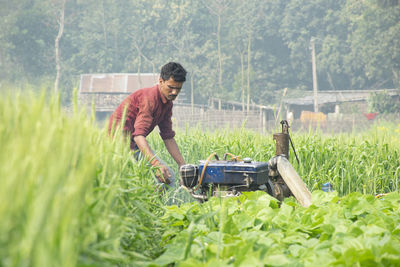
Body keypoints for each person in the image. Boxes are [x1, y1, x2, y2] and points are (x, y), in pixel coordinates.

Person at [108, 62, 186, 188]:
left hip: (133, 144)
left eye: (178, 89)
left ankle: (159, 207)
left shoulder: (167, 103)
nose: (174, 92)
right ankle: (154, 207)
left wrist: (182, 164)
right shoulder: (150, 99)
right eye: (171, 87)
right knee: (157, 181)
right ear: (161, 81)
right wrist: (156, 164)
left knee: (168, 178)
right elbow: (139, 136)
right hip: (118, 145)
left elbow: (168, 136)